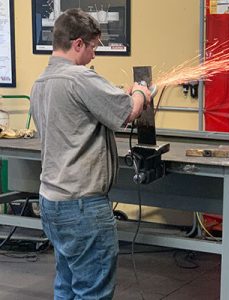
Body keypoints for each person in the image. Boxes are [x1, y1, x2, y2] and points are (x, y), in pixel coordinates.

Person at [30, 8, 151, 300]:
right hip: (82, 207)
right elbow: (128, 112)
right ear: (78, 44)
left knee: (67, 285)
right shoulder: (80, 78)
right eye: (94, 47)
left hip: (51, 202)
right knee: (93, 291)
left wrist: (117, 96)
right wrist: (141, 92)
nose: (95, 55)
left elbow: (80, 116)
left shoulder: (40, 84)